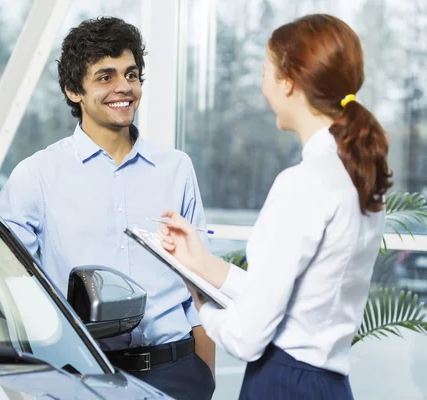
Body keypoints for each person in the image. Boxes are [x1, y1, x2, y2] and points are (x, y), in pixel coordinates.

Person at [158, 13, 393, 400]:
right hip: (330, 386)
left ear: (289, 82)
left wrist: (200, 302)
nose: (263, 86)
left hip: (282, 384)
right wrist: (201, 263)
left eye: (266, 71)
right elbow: (292, 297)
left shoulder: (301, 184)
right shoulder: (361, 177)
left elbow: (246, 338)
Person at [0, 16, 215, 400]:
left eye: (131, 75)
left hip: (176, 373)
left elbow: (199, 280)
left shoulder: (176, 168)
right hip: (81, 377)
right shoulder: (37, 176)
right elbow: (1, 285)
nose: (123, 88)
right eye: (105, 77)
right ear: (72, 90)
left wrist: (204, 372)